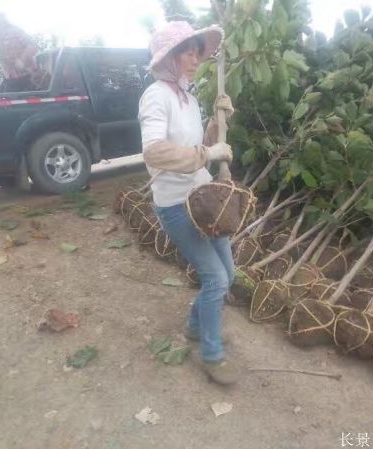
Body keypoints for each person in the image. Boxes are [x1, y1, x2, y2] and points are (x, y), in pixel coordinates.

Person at [138, 21, 239, 385]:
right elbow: (155, 151)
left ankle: (196, 326)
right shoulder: (156, 96)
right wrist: (208, 151)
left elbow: (201, 144)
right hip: (177, 206)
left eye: (199, 51)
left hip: (205, 199)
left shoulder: (189, 97)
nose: (196, 59)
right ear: (170, 57)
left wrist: (217, 120)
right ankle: (212, 356)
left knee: (229, 275)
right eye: (189, 52)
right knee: (214, 279)